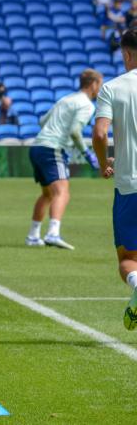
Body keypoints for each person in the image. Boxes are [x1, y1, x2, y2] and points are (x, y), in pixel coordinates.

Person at [26, 69, 104, 250]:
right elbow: (75, 132)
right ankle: (53, 233)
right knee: (62, 191)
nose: (99, 89)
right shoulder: (86, 105)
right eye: (99, 85)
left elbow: (42, 121)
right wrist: (87, 153)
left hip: (37, 146)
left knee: (47, 194)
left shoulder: (66, 99)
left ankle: (33, 235)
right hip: (53, 149)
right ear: (93, 84)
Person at [92, 28, 137, 330]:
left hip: (130, 184)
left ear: (126, 53)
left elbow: (99, 133)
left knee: (128, 258)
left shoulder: (113, 88)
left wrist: (101, 162)